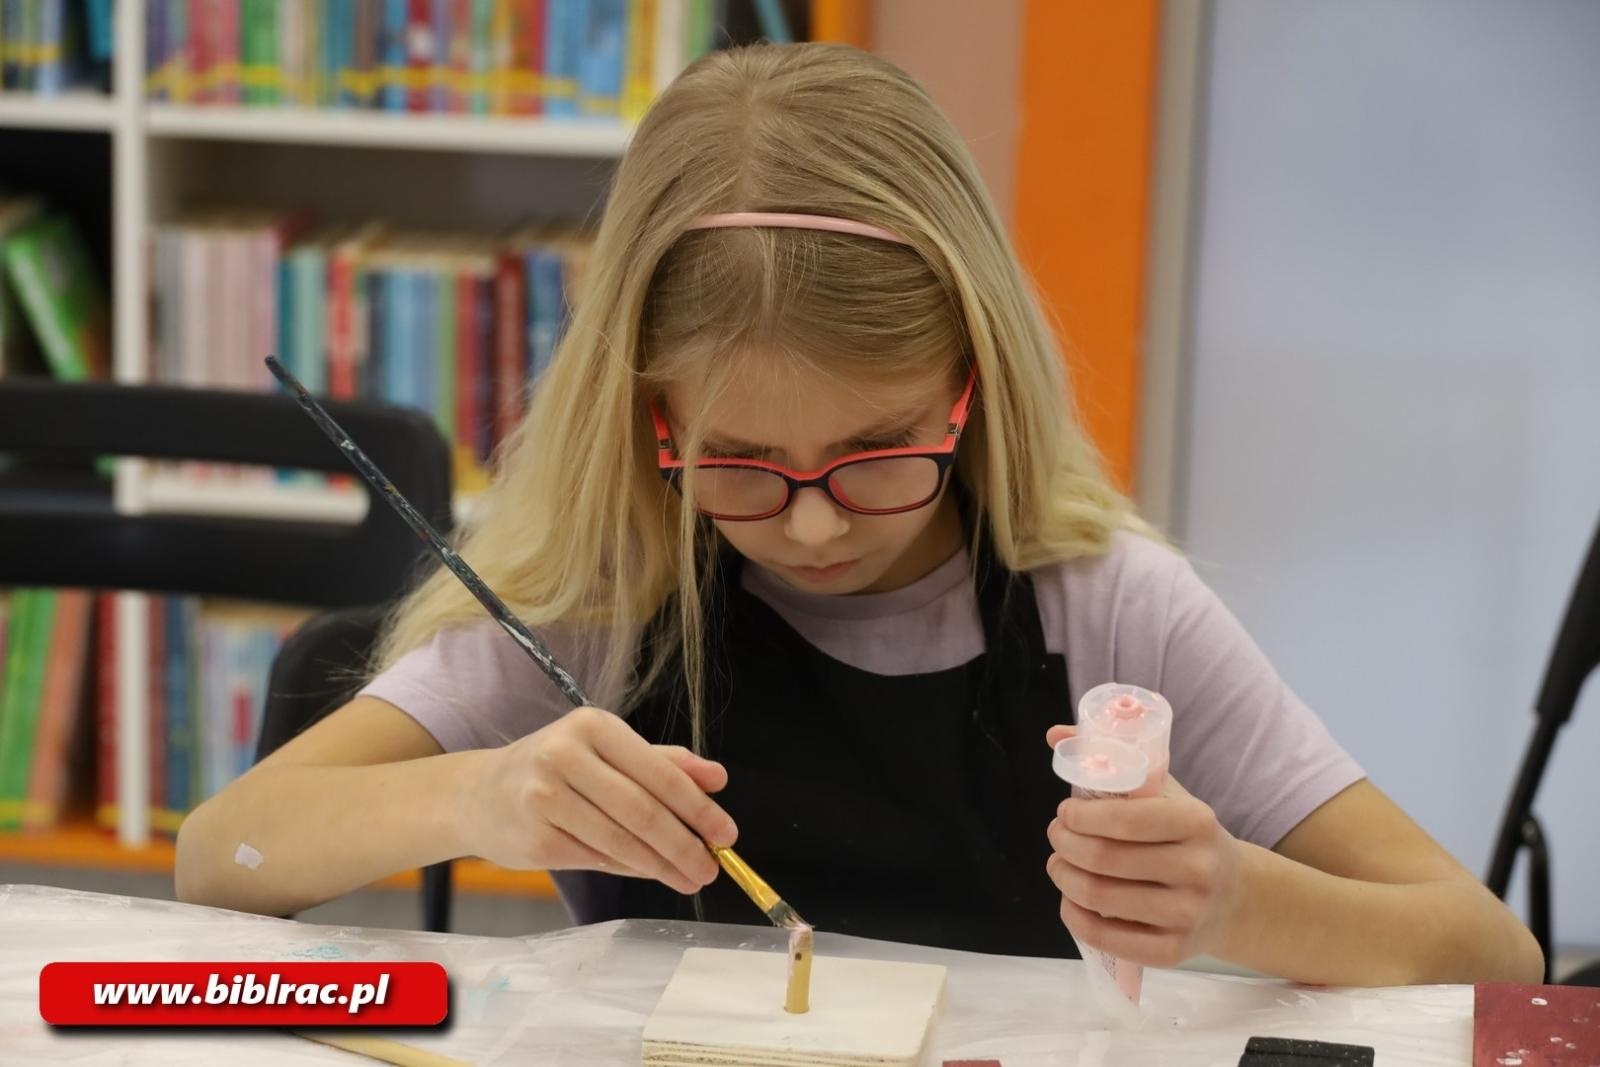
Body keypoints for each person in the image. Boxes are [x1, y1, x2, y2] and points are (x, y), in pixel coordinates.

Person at [175, 42, 1540, 985]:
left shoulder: (1103, 605)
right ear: (645, 416)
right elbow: (220, 858)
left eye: (882, 451)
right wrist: (484, 793)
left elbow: (1491, 955)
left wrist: (1241, 902)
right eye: (744, 462)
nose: (818, 525)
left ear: (973, 384)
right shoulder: (609, 595)